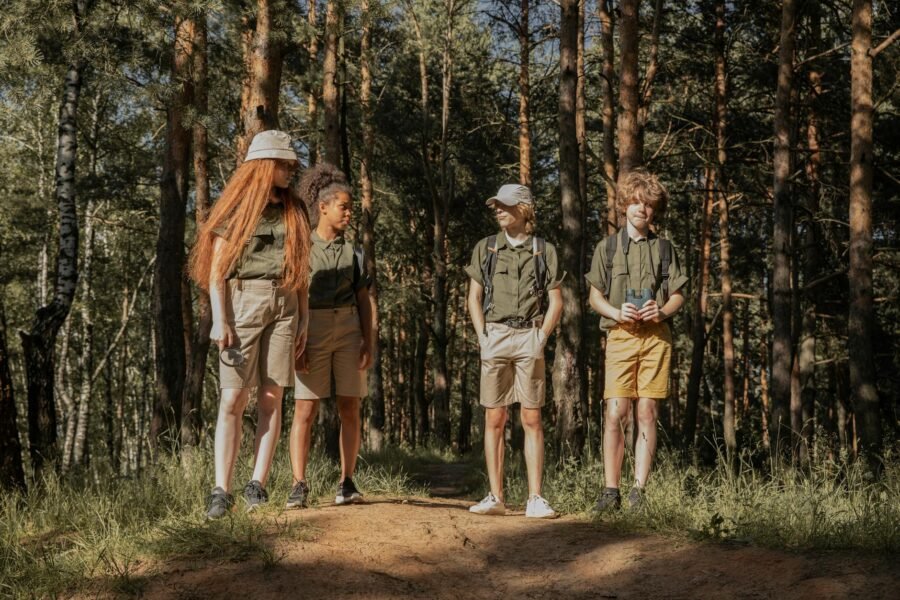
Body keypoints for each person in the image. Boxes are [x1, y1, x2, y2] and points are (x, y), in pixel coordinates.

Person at [188, 130, 310, 519]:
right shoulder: (236, 209)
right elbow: (217, 272)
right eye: (282, 164)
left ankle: (256, 484)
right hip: (243, 304)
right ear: (262, 166)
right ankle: (220, 489)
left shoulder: (296, 210)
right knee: (233, 398)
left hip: (286, 304)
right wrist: (220, 320)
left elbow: (301, 271)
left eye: (291, 164)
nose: (290, 170)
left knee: (272, 398)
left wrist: (303, 319)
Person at [586, 169, 688, 511]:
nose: (641, 209)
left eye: (648, 204)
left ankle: (637, 493)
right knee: (616, 411)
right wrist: (616, 313)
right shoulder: (608, 247)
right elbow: (594, 297)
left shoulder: (664, 248)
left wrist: (660, 312)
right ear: (624, 205)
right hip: (619, 336)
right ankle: (610, 491)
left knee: (647, 410)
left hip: (656, 338)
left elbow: (678, 296)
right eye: (635, 202)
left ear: (654, 211)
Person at [464, 184, 564, 519]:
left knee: (531, 417)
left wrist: (542, 337)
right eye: (495, 206)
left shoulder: (543, 250)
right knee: (494, 416)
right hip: (495, 335)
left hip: (529, 337)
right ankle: (496, 496)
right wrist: (482, 336)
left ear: (524, 209)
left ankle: (536, 496)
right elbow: (473, 297)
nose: (498, 211)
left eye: (504, 206)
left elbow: (556, 301)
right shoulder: (486, 248)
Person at [286, 163, 375, 509]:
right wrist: (297, 341)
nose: (350, 213)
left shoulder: (354, 252)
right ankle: (298, 484)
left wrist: (368, 340)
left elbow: (364, 299)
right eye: (344, 206)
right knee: (305, 408)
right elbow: (293, 296)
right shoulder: (302, 247)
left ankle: (347, 482)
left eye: (351, 207)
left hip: (350, 329)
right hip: (312, 329)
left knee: (349, 406)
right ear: (323, 207)